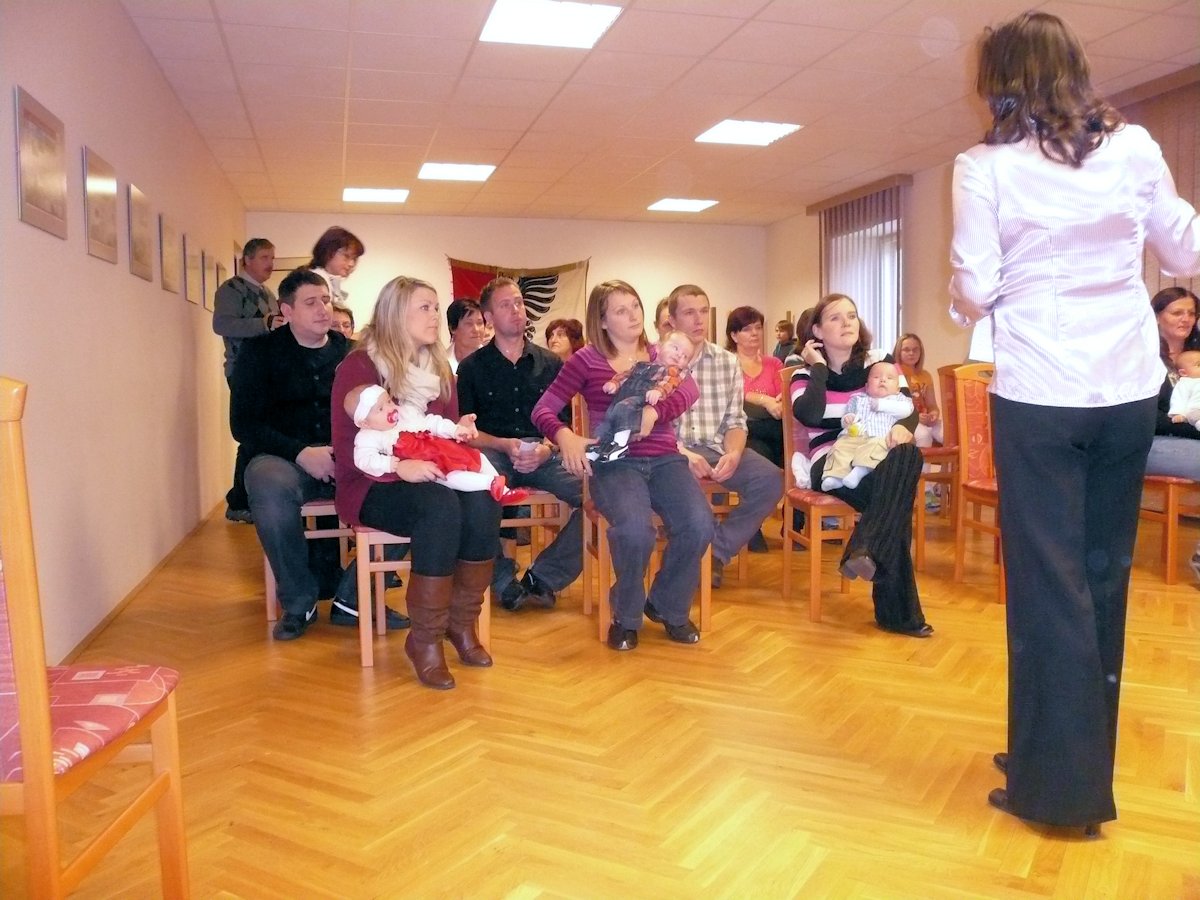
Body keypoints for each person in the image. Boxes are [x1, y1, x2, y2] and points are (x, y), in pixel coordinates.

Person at [949, 11, 1200, 833]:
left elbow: (976, 288)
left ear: (1002, 82)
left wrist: (968, 297)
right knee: (1099, 578)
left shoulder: (985, 167)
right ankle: (1052, 758)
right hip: (1127, 391)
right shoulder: (1135, 147)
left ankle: (1060, 795)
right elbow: (1185, 251)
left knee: (1048, 589)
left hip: (1042, 393)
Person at [332, 276, 503, 690]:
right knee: (438, 508)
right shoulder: (360, 366)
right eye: (425, 308)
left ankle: (461, 624)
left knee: (485, 499)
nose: (435, 316)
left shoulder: (439, 369)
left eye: (435, 307)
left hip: (433, 475)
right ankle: (425, 640)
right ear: (396, 314)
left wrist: (460, 431)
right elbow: (350, 449)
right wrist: (400, 467)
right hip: (372, 479)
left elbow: (442, 435)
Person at [532, 280, 712, 651]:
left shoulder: (660, 351)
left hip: (665, 459)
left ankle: (666, 605)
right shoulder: (586, 360)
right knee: (634, 531)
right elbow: (543, 409)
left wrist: (655, 412)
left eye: (635, 306)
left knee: (699, 524)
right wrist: (565, 436)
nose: (633, 315)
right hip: (616, 463)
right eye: (620, 310)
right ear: (601, 321)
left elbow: (689, 390)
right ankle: (626, 617)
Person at [232, 269, 402, 642]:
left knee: (410, 482)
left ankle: (353, 598)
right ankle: (298, 603)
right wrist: (301, 453)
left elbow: (385, 413)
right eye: (311, 302)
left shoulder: (355, 353)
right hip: (286, 460)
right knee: (266, 484)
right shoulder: (258, 353)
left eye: (325, 300)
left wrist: (347, 454)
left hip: (353, 457)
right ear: (287, 311)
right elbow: (243, 425)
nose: (323, 309)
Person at [791, 293, 931, 637]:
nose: (847, 323)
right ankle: (898, 614)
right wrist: (819, 368)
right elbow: (809, 415)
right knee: (894, 504)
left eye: (851, 315)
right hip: (832, 462)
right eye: (835, 318)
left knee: (909, 456)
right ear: (817, 331)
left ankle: (864, 547)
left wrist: (904, 427)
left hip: (877, 455)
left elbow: (908, 409)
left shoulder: (879, 362)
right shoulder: (803, 373)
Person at [456, 277, 584, 612]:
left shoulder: (551, 363)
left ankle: (543, 577)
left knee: (601, 496)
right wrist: (502, 444)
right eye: (505, 305)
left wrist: (546, 448)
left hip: (543, 452)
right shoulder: (471, 368)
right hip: (493, 453)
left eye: (519, 303)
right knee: (475, 500)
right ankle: (502, 582)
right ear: (488, 317)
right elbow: (467, 430)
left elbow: (563, 425)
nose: (516, 310)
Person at [669, 285, 784, 585]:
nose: (699, 319)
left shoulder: (726, 361)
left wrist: (733, 453)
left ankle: (715, 553)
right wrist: (682, 453)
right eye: (689, 313)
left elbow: (735, 420)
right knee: (687, 496)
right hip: (671, 453)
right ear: (672, 320)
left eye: (703, 311)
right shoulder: (656, 359)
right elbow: (650, 429)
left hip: (716, 448)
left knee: (771, 480)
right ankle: (686, 557)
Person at [344, 383, 528, 502]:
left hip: (441, 447)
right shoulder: (369, 436)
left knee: (478, 457)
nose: (390, 409)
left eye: (389, 401)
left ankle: (503, 490)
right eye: (380, 409)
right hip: (427, 461)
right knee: (451, 477)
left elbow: (432, 422)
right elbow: (363, 459)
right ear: (365, 422)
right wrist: (388, 464)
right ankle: (490, 483)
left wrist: (455, 430)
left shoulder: (406, 414)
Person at [212, 237, 282, 523]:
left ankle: (247, 499)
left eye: (272, 258)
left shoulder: (268, 293)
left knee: (261, 437)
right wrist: (265, 324)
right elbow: (222, 324)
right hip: (242, 373)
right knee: (252, 436)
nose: (271, 264)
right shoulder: (230, 290)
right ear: (247, 260)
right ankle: (239, 501)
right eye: (265, 257)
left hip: (267, 375)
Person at [587, 329, 694, 463]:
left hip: (641, 399)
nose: (679, 355)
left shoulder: (672, 371)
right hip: (624, 395)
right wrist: (615, 383)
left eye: (685, 356)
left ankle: (620, 445)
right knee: (609, 416)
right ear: (659, 347)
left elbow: (670, 383)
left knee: (624, 407)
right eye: (676, 348)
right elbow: (626, 375)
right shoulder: (642, 364)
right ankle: (601, 447)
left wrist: (658, 391)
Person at [821, 361, 914, 491]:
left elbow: (907, 410)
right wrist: (847, 419)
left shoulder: (898, 399)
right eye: (876, 377)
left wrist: (881, 405)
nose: (882, 380)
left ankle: (859, 471)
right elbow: (849, 414)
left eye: (889, 378)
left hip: (878, 436)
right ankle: (835, 476)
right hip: (854, 436)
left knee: (878, 448)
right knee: (840, 447)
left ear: (898, 389)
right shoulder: (858, 398)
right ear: (867, 386)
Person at [1147, 287, 1200, 481]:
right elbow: (1149, 417)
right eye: (1177, 313)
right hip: (1158, 439)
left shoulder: (1197, 354)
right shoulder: (1144, 358)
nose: (1186, 319)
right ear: (1157, 317)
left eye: (1191, 313)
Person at [727, 305, 785, 471]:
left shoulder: (774, 363)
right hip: (744, 430)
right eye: (747, 329)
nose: (754, 333)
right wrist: (763, 400)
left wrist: (779, 402)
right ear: (734, 336)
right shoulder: (727, 364)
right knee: (761, 459)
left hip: (776, 428)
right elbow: (732, 395)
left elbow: (783, 396)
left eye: (758, 327)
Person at [893, 333, 943, 447]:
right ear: (898, 352)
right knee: (924, 435)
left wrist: (933, 415)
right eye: (906, 350)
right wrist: (915, 417)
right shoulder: (892, 373)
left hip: (925, 420)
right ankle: (919, 460)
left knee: (949, 434)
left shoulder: (925, 375)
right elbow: (894, 407)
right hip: (905, 420)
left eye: (915, 350)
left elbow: (932, 405)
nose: (911, 353)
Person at [308, 226, 364, 306]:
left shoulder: (330, 281)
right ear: (328, 252)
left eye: (354, 259)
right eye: (346, 256)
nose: (351, 264)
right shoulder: (313, 281)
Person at [446, 297, 487, 374]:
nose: (476, 330)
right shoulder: (441, 364)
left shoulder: (493, 361)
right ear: (452, 328)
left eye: (479, 323)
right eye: (469, 324)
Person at [1167, 350, 1200, 427]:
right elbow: (1178, 398)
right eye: (1199, 365)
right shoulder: (1185, 383)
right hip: (1195, 409)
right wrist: (1179, 413)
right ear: (1183, 373)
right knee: (1195, 416)